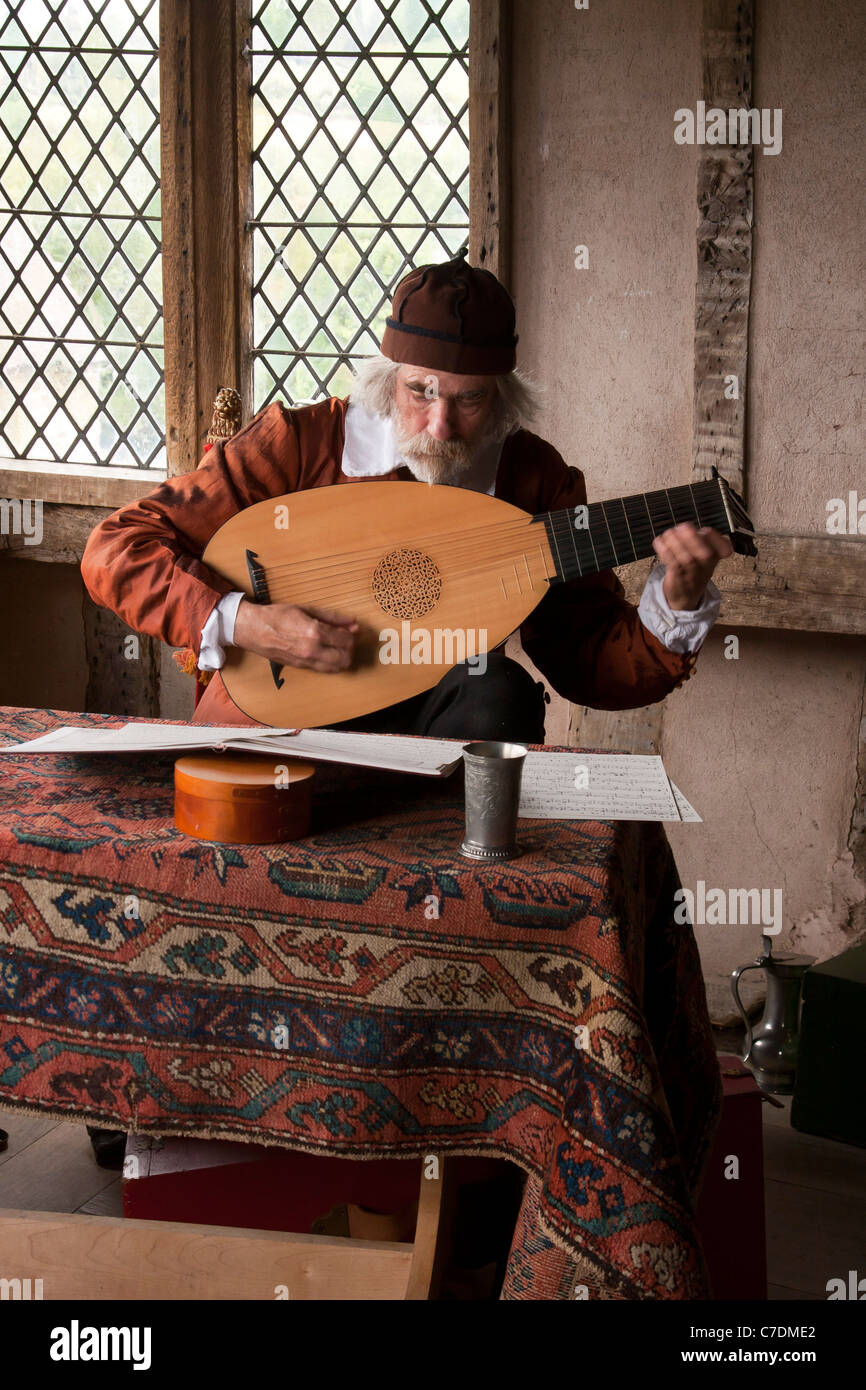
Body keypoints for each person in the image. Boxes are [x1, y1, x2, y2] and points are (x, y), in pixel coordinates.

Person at [80, 248, 732, 740]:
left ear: (501, 399)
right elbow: (116, 550)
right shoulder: (302, 444)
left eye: (469, 400)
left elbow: (584, 658)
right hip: (280, 712)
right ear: (389, 378)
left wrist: (673, 603)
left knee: (499, 691)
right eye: (421, 391)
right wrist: (249, 622)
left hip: (434, 728)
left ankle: (454, 891)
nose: (441, 424)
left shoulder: (535, 480)